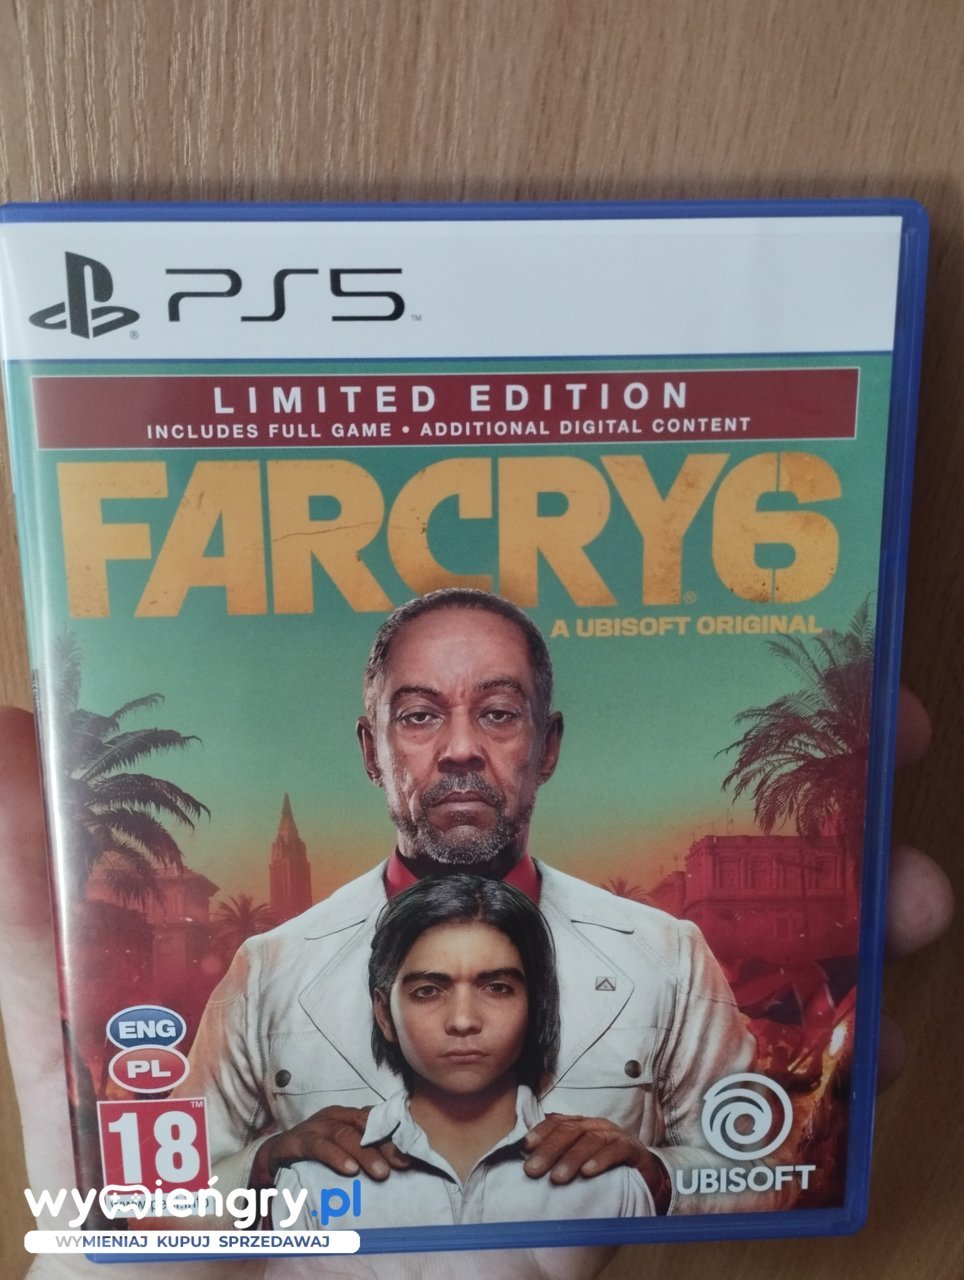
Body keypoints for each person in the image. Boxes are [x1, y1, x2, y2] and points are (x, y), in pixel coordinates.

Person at [0, 685, 951, 1280]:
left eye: (497, 714)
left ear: (548, 744)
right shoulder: (269, 967)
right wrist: (256, 1169)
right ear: (373, 749)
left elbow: (767, 1166)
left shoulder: (664, 951)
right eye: (420, 717)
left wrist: (652, 1170)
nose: (459, 750)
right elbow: (169, 1196)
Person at [275, 875, 654, 1227]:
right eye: (427, 991)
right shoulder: (310, 1185)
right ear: (384, 1015)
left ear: (535, 1006)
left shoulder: (613, 1185)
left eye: (497, 988)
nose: (463, 1020)